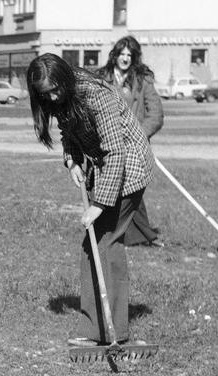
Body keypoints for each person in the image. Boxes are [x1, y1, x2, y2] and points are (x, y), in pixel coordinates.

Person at [26, 53, 155, 346]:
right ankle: (100, 330)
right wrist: (71, 160)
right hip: (107, 166)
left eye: (57, 89)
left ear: (65, 78)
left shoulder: (96, 95)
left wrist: (99, 205)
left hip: (129, 166)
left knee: (104, 242)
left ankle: (112, 333)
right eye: (47, 94)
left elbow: (115, 151)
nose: (54, 97)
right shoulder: (58, 97)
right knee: (97, 244)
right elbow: (68, 127)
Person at [97, 36, 164, 246]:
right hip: (108, 145)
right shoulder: (103, 78)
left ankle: (139, 235)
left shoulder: (142, 80)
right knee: (113, 185)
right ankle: (119, 232)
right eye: (122, 54)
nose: (125, 58)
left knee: (133, 188)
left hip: (134, 146)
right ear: (115, 55)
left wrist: (139, 136)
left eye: (129, 55)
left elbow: (156, 114)